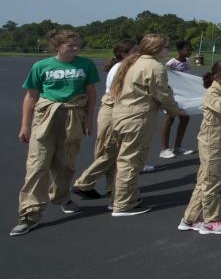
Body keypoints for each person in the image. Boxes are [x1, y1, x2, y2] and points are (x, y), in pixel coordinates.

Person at [10, 29, 99, 236]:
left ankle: (62, 196)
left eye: (78, 44)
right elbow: (31, 96)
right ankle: (29, 213)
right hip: (46, 116)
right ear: (58, 46)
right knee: (37, 164)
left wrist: (89, 120)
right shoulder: (41, 66)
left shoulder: (85, 64)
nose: (76, 48)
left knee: (65, 163)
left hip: (73, 115)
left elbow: (91, 92)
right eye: (71, 45)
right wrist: (25, 125)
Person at [105, 34, 184, 217]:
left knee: (124, 159)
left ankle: (121, 197)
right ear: (157, 49)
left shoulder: (132, 61)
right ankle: (123, 204)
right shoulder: (154, 66)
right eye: (165, 47)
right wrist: (175, 110)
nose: (167, 50)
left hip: (120, 114)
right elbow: (162, 93)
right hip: (137, 117)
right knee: (131, 161)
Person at [178, 60, 221, 235]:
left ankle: (189, 219)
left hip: (220, 139)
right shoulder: (212, 93)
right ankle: (211, 221)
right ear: (218, 76)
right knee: (212, 181)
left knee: (204, 180)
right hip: (210, 142)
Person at [72, 38, 137, 201]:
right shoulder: (121, 68)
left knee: (110, 151)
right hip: (113, 108)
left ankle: (111, 188)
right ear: (124, 54)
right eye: (135, 51)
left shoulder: (125, 66)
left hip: (114, 107)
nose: (139, 53)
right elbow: (120, 91)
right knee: (109, 151)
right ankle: (84, 183)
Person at [160, 40, 194, 159]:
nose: (189, 52)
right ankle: (164, 149)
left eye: (190, 50)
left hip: (183, 96)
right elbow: (165, 77)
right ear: (180, 50)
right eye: (187, 50)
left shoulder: (187, 61)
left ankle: (177, 147)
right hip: (173, 95)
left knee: (185, 118)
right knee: (170, 119)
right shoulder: (171, 63)